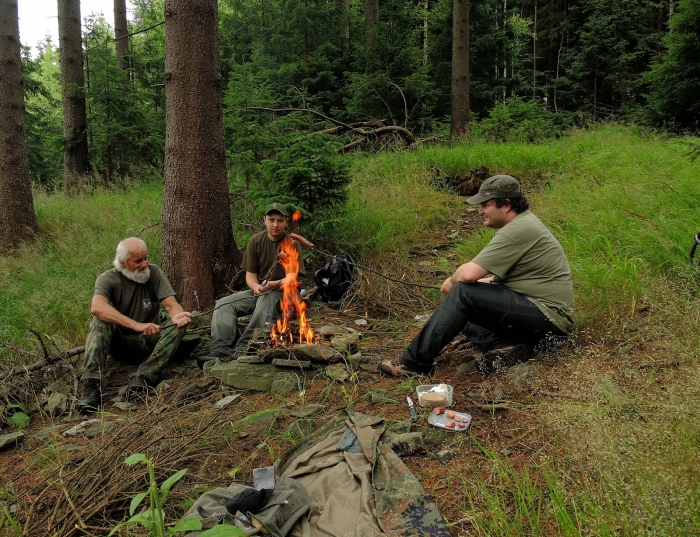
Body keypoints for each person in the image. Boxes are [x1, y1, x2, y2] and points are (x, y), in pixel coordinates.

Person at [379, 175, 574, 376]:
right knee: (460, 313)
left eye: (485, 205)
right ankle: (507, 346)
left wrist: (452, 280)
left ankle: (414, 363)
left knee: (463, 293)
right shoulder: (522, 224)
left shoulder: (518, 229)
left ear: (506, 205)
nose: (480, 211)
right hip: (541, 316)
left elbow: (470, 274)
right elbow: (504, 280)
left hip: (550, 319)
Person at [77, 237, 191, 410]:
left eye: (146, 258)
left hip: (149, 340)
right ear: (123, 263)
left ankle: (144, 378)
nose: (144, 264)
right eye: (138, 261)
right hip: (120, 343)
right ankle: (91, 385)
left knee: (177, 326)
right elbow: (97, 307)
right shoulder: (107, 279)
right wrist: (136, 325)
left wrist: (177, 316)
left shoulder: (155, 273)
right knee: (99, 320)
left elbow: (171, 304)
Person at [198, 202, 305, 368]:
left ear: (286, 222)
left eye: (279, 220)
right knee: (224, 303)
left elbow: (291, 279)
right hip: (261, 291)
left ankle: (244, 347)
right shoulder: (256, 241)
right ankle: (220, 348)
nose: (275, 225)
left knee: (267, 298)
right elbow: (250, 276)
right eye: (271, 220)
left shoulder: (292, 243)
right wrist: (256, 287)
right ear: (264, 220)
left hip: (285, 295)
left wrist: (270, 285)